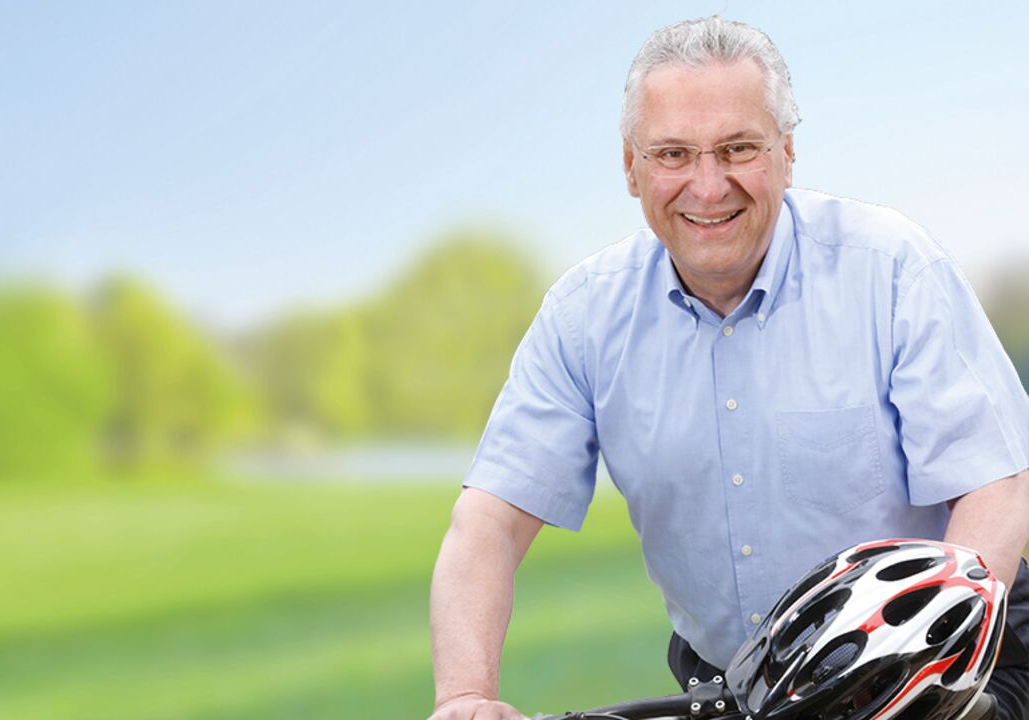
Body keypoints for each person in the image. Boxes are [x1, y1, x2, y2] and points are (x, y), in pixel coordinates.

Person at [427, 16, 1029, 720]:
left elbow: (997, 486)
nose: (707, 187)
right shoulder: (583, 316)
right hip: (736, 685)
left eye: (737, 148)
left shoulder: (893, 269)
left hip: (942, 659)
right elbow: (489, 522)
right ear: (632, 167)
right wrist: (465, 697)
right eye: (673, 155)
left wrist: (929, 671)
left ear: (786, 153)